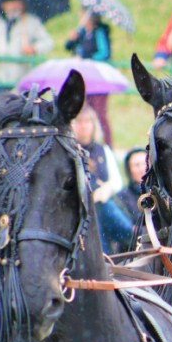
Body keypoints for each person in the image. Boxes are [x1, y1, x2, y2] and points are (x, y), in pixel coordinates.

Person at [70, 106, 132, 254]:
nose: (83, 126)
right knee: (97, 211)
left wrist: (106, 189)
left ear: (93, 124)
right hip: (79, 205)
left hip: (103, 200)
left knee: (104, 208)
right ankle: (129, 238)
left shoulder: (102, 150)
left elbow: (116, 181)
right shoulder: (69, 150)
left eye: (87, 121)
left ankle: (126, 239)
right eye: (79, 121)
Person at [0, 0, 53, 100]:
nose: (13, 6)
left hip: (22, 76)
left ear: (22, 4)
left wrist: (34, 48)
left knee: (20, 106)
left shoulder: (31, 21)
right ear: (3, 5)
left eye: (16, 2)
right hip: (2, 76)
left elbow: (47, 42)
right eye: (10, 2)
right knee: (1, 106)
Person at [65, 9, 114, 145]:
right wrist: (72, 39)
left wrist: (86, 59)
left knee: (99, 113)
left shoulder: (99, 32)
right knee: (83, 111)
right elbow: (69, 47)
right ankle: (84, 143)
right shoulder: (82, 33)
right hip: (84, 78)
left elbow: (104, 53)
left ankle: (107, 145)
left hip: (98, 78)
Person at [115, 147, 148, 222]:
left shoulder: (161, 193)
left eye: (145, 163)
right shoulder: (121, 198)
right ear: (129, 170)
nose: (142, 169)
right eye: (137, 165)